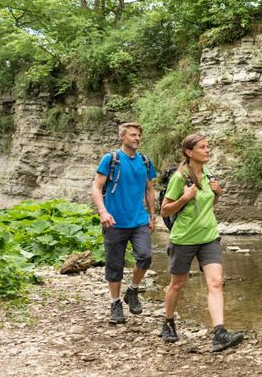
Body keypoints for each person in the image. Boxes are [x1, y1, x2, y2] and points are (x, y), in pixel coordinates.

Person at [160, 133, 243, 352]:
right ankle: (168, 321)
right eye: (202, 147)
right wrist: (184, 198)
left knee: (215, 282)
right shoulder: (179, 178)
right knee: (177, 283)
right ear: (189, 152)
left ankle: (220, 334)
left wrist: (217, 194)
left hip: (209, 237)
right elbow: (165, 210)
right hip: (184, 239)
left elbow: (207, 205)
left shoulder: (208, 174)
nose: (207, 151)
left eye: (208, 147)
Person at [91, 122, 157, 324]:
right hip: (114, 222)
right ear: (122, 137)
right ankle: (115, 303)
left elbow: (149, 189)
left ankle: (133, 290)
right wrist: (103, 212)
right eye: (133, 135)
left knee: (145, 257)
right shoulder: (111, 160)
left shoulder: (145, 162)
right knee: (114, 264)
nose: (137, 138)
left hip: (138, 220)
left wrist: (153, 215)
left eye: (139, 135)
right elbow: (96, 187)